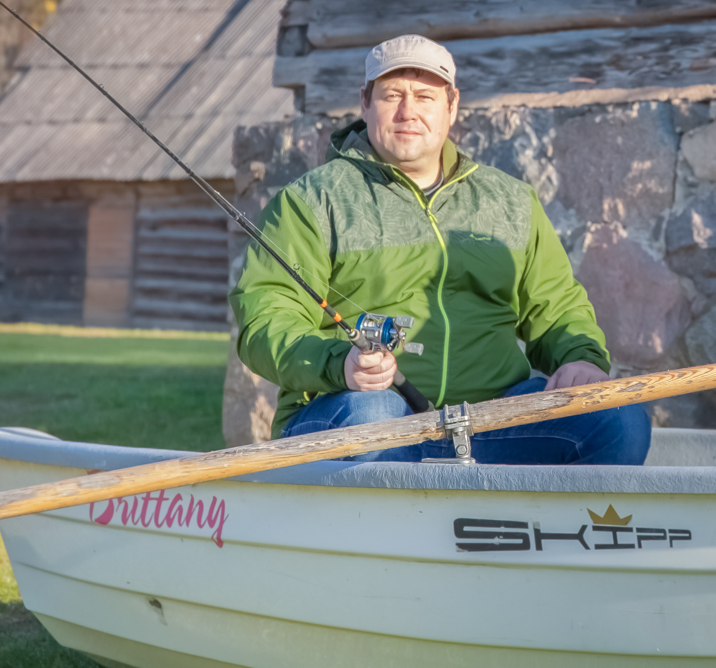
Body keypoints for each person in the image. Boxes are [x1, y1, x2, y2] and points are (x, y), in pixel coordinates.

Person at [231, 34, 650, 464]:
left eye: (425, 96)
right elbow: (266, 320)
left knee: (618, 416)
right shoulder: (309, 203)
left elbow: (558, 307)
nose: (407, 111)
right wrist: (340, 364)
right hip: (355, 420)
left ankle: (546, 531)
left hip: (488, 426)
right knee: (378, 412)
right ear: (364, 102)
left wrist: (581, 359)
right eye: (391, 94)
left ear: (452, 106)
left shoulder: (512, 202)